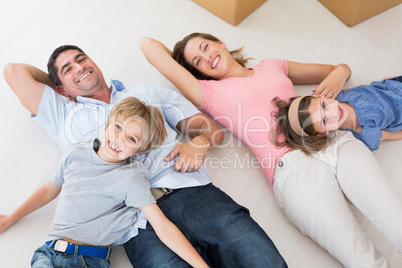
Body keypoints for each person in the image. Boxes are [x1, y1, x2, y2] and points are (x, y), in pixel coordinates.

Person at [3, 45, 287, 268]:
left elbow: (212, 130)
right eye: (68, 68)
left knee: (263, 262)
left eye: (82, 59)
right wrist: (61, 89)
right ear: (60, 88)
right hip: (135, 222)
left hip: (193, 193)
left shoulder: (147, 92)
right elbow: (14, 71)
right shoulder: (62, 114)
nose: (80, 67)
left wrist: (198, 143)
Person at [140, 33, 402, 267]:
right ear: (198, 75)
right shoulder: (207, 92)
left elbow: (339, 68)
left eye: (206, 47)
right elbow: (148, 46)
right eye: (197, 61)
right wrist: (183, 59)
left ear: (220, 43)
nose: (207, 57)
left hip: (333, 142)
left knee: (395, 219)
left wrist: (340, 72)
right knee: (361, 259)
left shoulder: (271, 66)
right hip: (292, 170)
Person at [0, 97, 211, 268]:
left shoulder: (131, 177)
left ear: (139, 150)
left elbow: (163, 227)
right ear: (108, 123)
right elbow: (49, 189)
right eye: (118, 127)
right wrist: (10, 219)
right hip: (48, 252)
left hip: (88, 261)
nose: (118, 139)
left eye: (131, 139)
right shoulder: (76, 152)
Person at [273, 77, 402, 152]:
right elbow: (390, 134)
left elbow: (365, 92)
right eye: (324, 121)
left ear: (319, 96)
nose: (333, 113)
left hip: (393, 86)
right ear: (323, 133)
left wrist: (385, 84)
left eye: (323, 105)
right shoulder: (366, 135)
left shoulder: (338, 94)